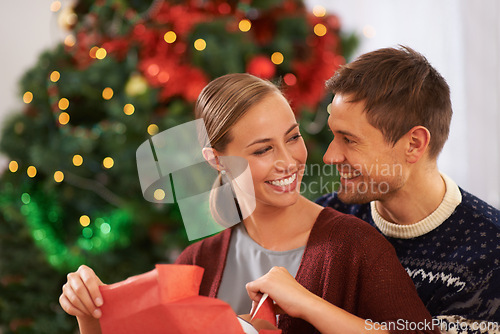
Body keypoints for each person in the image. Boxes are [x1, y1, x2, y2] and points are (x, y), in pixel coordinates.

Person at [60, 73, 439, 334]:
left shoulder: (354, 246)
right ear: (217, 160)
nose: (288, 161)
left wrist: (307, 304)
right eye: (262, 149)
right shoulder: (197, 263)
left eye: (292, 138)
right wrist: (88, 312)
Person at [315, 46, 500, 332]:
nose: (330, 156)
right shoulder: (326, 218)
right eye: (333, 135)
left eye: (349, 140)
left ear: (413, 144)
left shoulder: (489, 252)